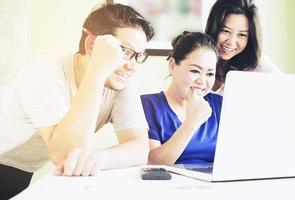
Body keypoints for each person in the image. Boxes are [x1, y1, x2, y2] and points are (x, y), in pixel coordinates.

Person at [0, 3, 154, 199]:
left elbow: (139, 148)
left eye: (139, 56)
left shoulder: (120, 79)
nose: (132, 66)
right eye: (125, 52)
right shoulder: (44, 72)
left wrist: (96, 157)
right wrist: (97, 70)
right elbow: (65, 155)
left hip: (21, 167)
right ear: (92, 45)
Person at [141, 31, 222, 165]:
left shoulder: (218, 104)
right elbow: (152, 162)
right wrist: (192, 122)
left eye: (209, 74)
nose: (202, 81)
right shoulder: (148, 105)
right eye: (195, 71)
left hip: (212, 184)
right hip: (166, 184)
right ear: (172, 66)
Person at [205, 0, 281, 93]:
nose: (231, 42)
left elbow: (286, 90)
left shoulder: (257, 65)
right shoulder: (198, 54)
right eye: (226, 31)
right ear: (214, 28)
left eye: (242, 35)